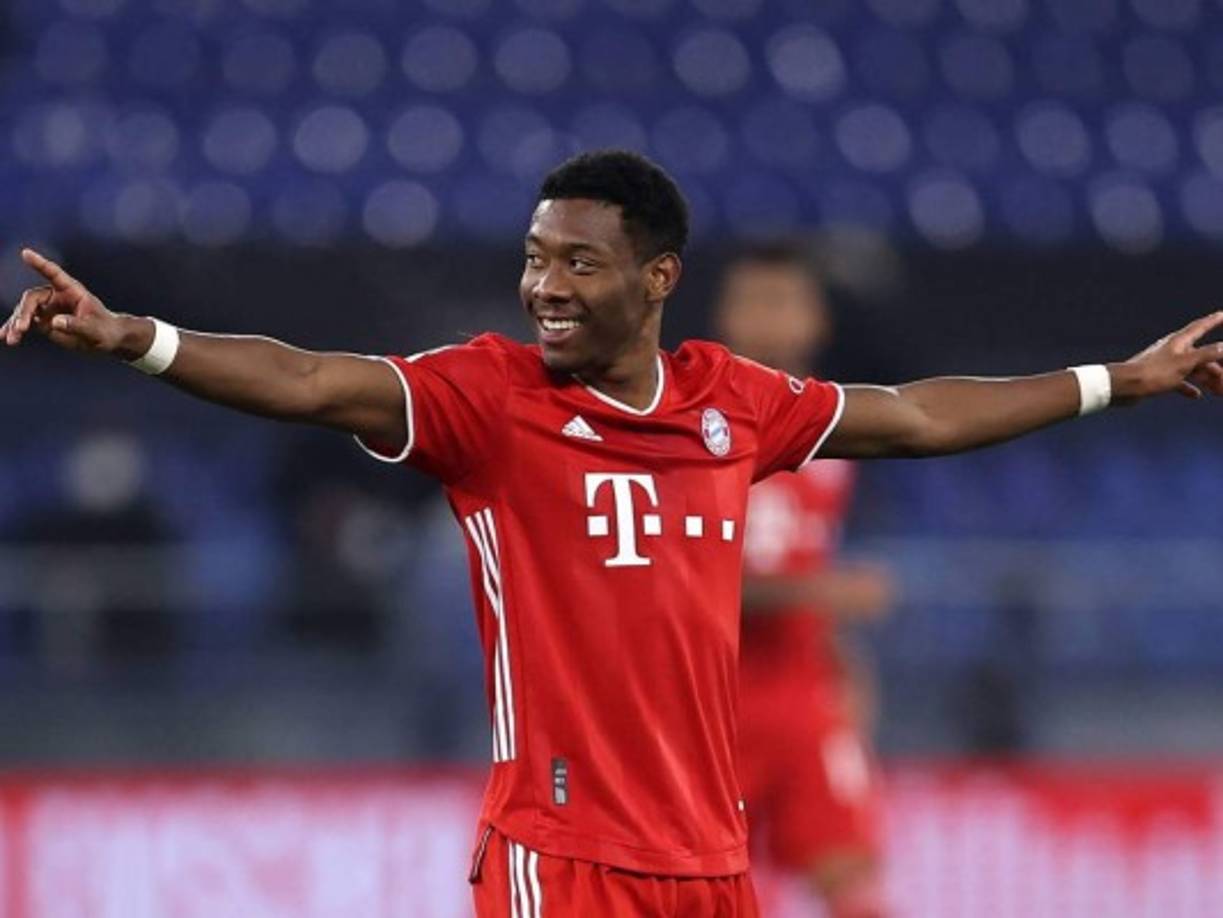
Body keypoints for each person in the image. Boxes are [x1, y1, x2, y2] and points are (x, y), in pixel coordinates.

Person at [4, 150, 1222, 917]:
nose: (544, 285)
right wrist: (138, 340)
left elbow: (911, 416)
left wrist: (1115, 379)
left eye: (578, 263)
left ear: (655, 280)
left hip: (708, 859)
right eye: (535, 259)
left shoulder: (731, 402)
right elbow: (311, 380)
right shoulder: (486, 400)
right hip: (562, 852)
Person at [716, 242, 893, 918]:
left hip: (803, 694)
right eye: (753, 302)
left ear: (816, 319)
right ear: (726, 316)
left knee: (852, 879)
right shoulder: (691, 432)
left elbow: (808, 556)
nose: (767, 320)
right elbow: (688, 585)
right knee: (703, 889)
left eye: (782, 301)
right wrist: (823, 594)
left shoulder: (836, 434)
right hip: (712, 704)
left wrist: (844, 661)